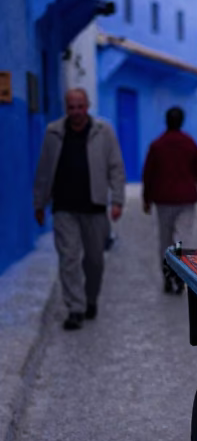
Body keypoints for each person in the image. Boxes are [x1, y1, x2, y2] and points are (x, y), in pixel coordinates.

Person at [33, 87, 126, 331]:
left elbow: (115, 167)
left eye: (80, 107)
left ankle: (91, 298)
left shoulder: (103, 132)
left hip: (94, 206)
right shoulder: (53, 132)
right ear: (66, 108)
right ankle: (75, 308)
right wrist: (39, 202)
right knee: (69, 258)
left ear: (87, 106)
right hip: (64, 207)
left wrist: (117, 200)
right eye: (71, 107)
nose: (76, 112)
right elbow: (44, 170)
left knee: (94, 260)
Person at [142, 106, 197, 293]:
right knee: (182, 238)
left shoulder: (157, 145)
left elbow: (148, 174)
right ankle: (180, 275)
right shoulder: (190, 144)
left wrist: (146, 199)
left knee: (165, 240)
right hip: (186, 199)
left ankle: (167, 276)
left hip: (163, 199)